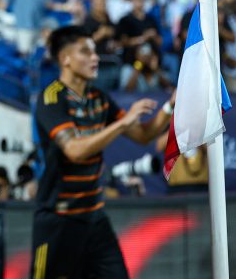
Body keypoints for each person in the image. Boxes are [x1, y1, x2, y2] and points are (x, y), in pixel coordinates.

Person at [31, 25, 174, 279]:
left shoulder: (100, 97)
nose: (95, 58)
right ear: (65, 59)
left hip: (95, 217)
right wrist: (122, 123)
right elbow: (74, 151)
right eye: (85, 52)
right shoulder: (51, 98)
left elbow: (143, 135)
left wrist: (169, 107)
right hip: (58, 220)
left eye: (95, 52)